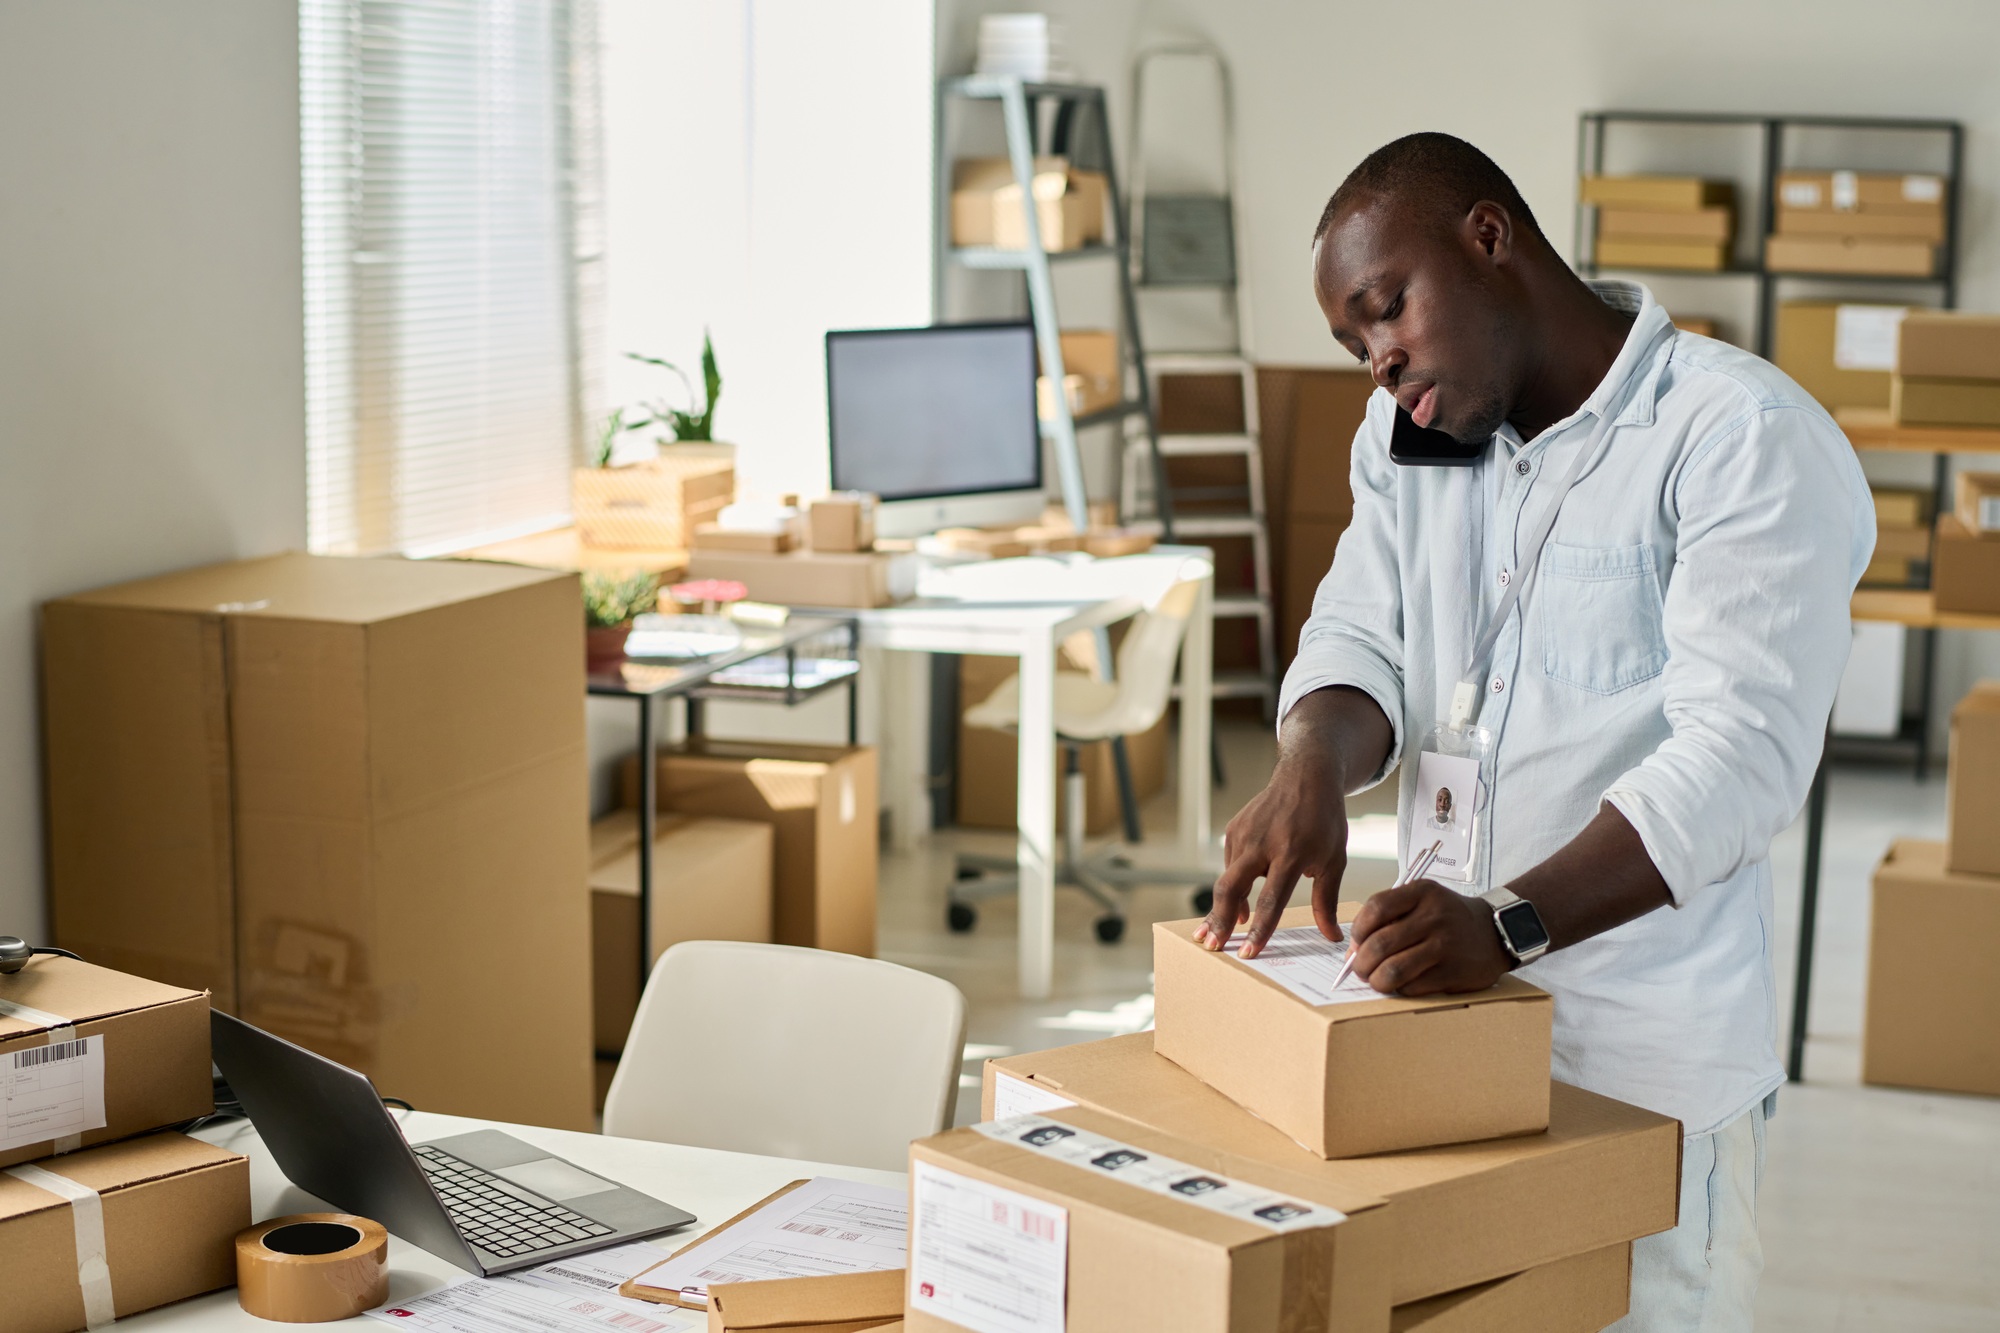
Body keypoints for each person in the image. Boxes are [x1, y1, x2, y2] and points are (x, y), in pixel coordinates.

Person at [1195, 133, 1871, 1332]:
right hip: (1436, 1049)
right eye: (1354, 346)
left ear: (1488, 237)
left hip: (1639, 1077)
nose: (1378, 362)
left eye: (1385, 310)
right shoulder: (1409, 440)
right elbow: (1364, 637)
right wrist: (1310, 763)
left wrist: (1508, 922)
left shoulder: (1732, 436)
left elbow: (1738, 760)